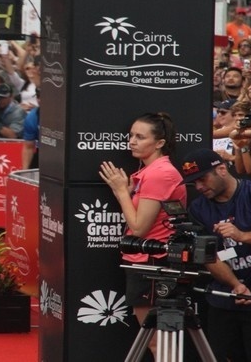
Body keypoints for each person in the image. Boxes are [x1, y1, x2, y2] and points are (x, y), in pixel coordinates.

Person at [178, 149, 251, 362]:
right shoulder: (198, 208)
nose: (198, 187)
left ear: (222, 169)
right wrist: (235, 285)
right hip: (225, 297)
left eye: (202, 179)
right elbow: (208, 255)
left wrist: (242, 235)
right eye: (193, 183)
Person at [97, 112, 186, 357]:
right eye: (131, 135)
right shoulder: (151, 172)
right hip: (144, 262)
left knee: (159, 343)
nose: (132, 141)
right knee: (155, 341)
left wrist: (121, 192)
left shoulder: (159, 173)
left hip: (154, 263)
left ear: (159, 143)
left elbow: (138, 229)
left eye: (140, 136)